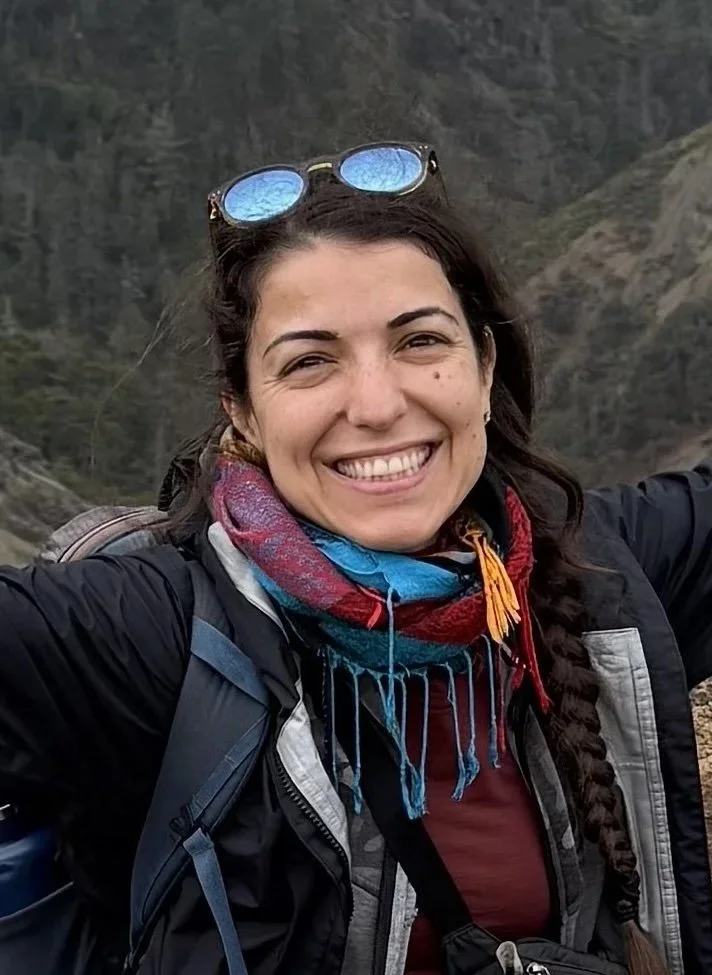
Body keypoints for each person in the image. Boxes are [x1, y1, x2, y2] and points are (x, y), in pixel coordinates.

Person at [0, 141, 711, 975]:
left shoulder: (596, 572)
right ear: (243, 409)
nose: (376, 405)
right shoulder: (156, 636)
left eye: (420, 341)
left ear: (484, 367)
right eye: (309, 361)